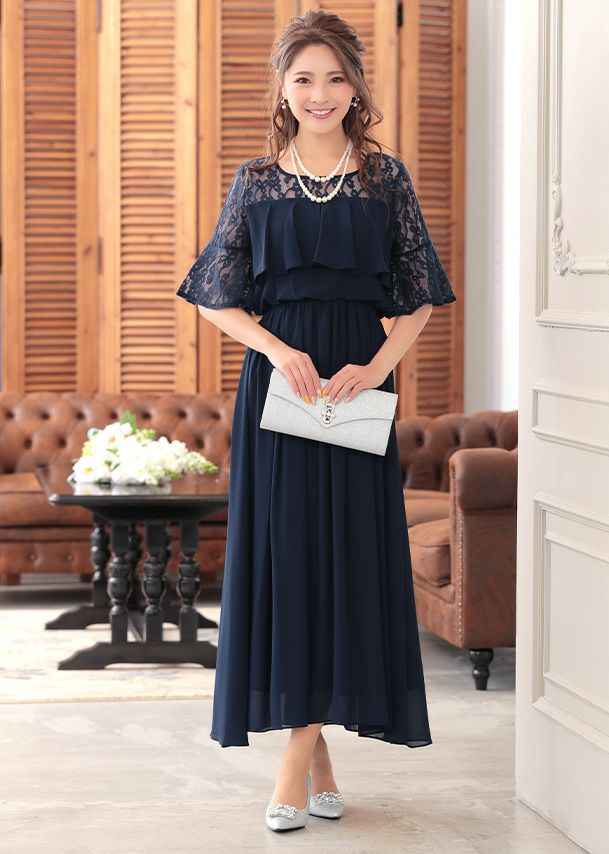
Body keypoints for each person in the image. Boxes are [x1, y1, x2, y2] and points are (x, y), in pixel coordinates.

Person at [175, 10, 456, 833]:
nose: (320, 93)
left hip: (357, 387)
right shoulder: (256, 180)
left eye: (335, 78)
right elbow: (215, 295)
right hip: (281, 389)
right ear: (282, 87)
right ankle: (310, 756)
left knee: (350, 563)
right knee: (288, 563)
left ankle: (299, 759)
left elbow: (422, 296)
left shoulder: (386, 179)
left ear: (356, 87)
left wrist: (377, 365)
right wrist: (275, 348)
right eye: (304, 78)